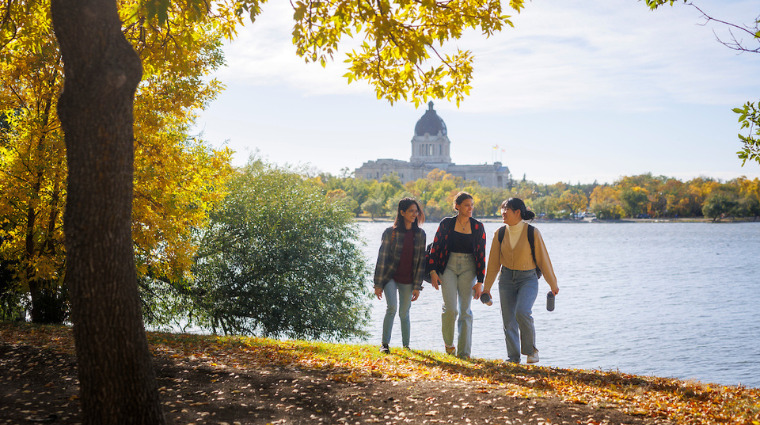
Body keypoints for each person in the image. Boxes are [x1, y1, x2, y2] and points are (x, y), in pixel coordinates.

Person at [482, 197, 559, 364]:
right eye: (502, 209)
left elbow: (543, 260)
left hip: (528, 279)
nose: (502, 212)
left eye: (506, 209)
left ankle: (531, 351)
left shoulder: (532, 232)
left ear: (517, 212)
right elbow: (494, 263)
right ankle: (513, 357)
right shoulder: (500, 233)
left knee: (522, 312)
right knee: (508, 320)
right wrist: (486, 288)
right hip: (506, 279)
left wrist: (553, 284)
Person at [426, 192, 486, 359]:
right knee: (451, 308)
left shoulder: (477, 226)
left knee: (465, 310)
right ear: (457, 206)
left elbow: (481, 254)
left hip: (469, 268)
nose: (470, 208)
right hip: (448, 267)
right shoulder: (446, 223)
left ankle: (464, 353)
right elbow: (435, 247)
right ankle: (449, 344)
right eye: (467, 205)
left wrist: (480, 281)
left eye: (472, 205)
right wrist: (432, 271)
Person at [373, 198, 427, 354]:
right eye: (411, 211)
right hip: (390, 276)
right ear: (402, 212)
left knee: (404, 312)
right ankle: (385, 344)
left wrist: (417, 286)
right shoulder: (391, 233)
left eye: (416, 211)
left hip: (409, 279)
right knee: (392, 308)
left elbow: (420, 262)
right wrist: (378, 284)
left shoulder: (420, 234)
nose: (414, 214)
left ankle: (406, 346)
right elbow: (382, 258)